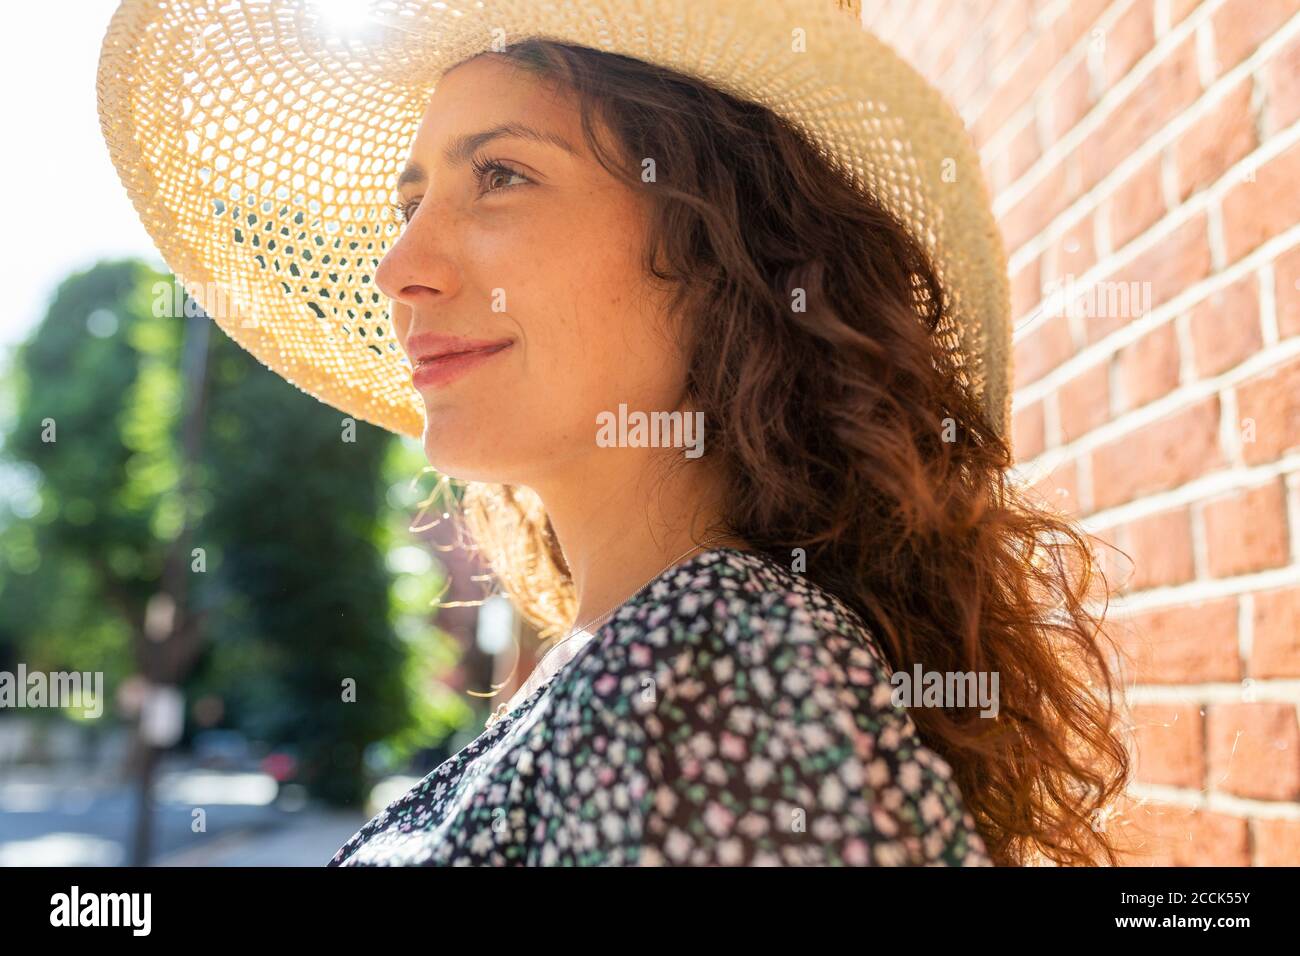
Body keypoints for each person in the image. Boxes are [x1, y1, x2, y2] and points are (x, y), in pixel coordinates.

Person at [97, 0, 1131, 867]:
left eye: (499, 174)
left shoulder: (709, 669)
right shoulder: (654, 650)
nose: (395, 265)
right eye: (409, 200)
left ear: (722, 249)